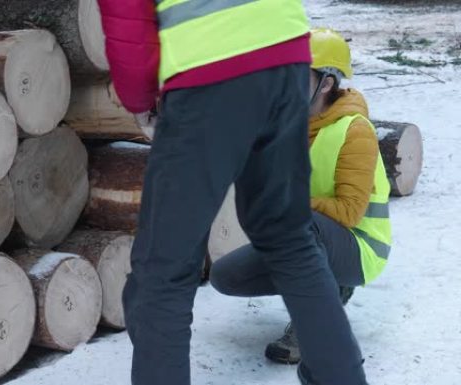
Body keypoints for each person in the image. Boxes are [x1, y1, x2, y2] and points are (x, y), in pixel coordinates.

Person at [96, 1, 369, 384]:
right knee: (290, 242)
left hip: (207, 73)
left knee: (163, 270)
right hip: (286, 58)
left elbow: (127, 16)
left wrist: (140, 101)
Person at [209, 28, 392, 365]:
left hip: (360, 247)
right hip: (309, 238)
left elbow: (350, 213)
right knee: (225, 276)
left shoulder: (354, 130)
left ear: (326, 84)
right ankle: (328, 289)